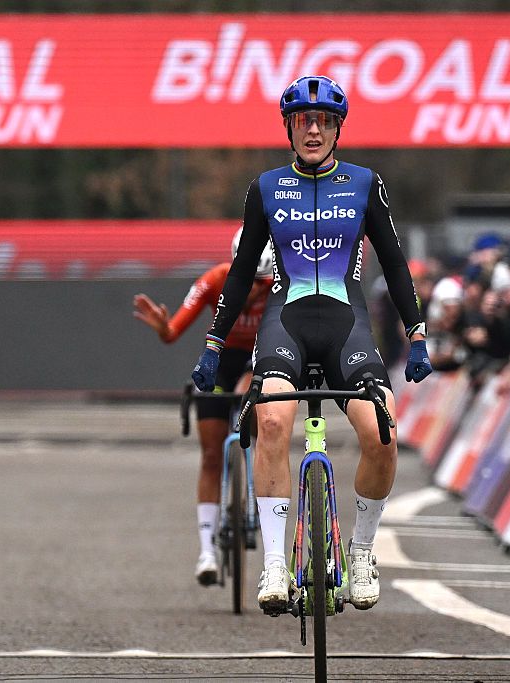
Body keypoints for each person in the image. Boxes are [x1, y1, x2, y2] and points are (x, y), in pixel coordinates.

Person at [190, 75, 432, 614]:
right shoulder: (266, 187)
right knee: (272, 420)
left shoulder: (365, 183)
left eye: (324, 121)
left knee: (383, 432)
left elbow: (395, 264)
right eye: (304, 121)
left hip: (347, 324)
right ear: (290, 128)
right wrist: (213, 343)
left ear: (338, 128)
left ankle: (361, 552)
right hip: (287, 322)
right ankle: (276, 562)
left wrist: (416, 332)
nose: (314, 130)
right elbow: (240, 273)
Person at [133, 228, 273, 586]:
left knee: (257, 403)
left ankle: (261, 504)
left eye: (261, 283)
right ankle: (207, 551)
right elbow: (173, 332)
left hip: (260, 360)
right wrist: (163, 328)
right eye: (248, 280)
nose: (253, 290)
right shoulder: (214, 280)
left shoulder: (280, 285)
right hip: (221, 361)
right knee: (211, 454)